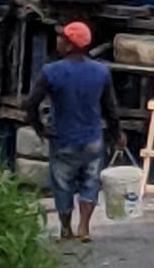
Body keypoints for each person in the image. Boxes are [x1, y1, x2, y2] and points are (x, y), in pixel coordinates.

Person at [26, 21, 123, 243]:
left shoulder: (51, 72)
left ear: (70, 46)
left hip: (63, 139)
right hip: (92, 139)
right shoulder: (101, 71)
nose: (57, 41)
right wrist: (117, 133)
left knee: (62, 184)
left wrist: (40, 129)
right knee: (91, 182)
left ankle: (66, 228)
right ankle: (85, 227)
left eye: (62, 38)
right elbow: (110, 108)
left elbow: (31, 104)